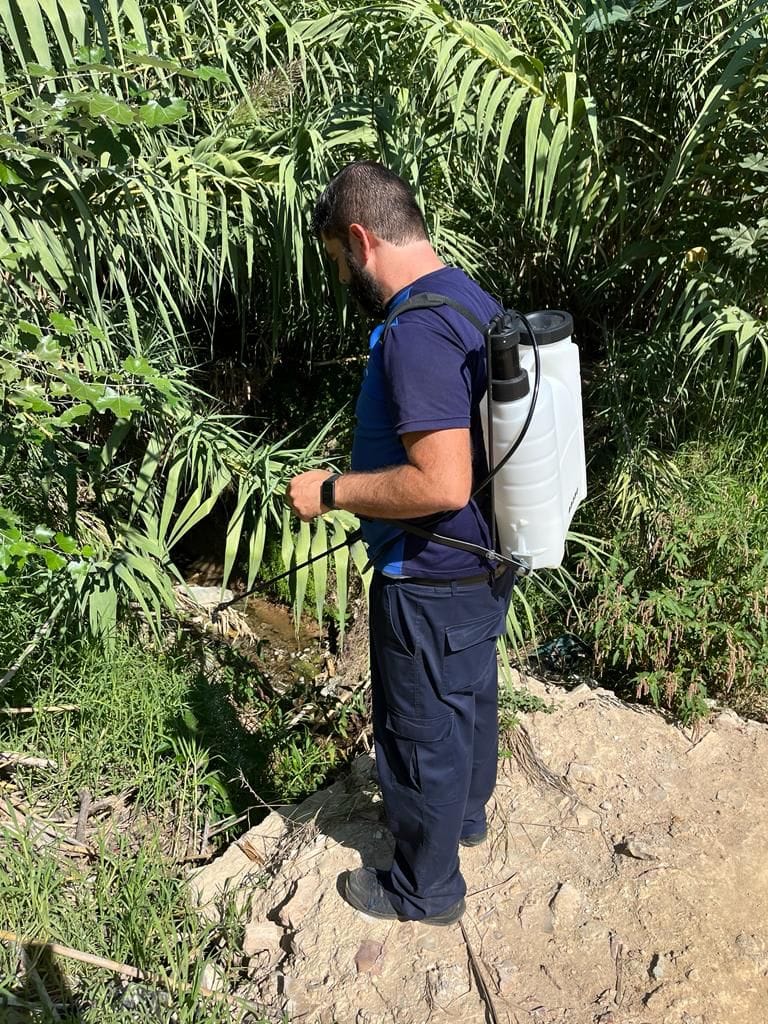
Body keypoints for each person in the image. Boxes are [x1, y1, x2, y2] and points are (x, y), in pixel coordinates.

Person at [287, 161, 515, 926]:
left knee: (418, 732)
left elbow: (442, 482)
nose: (341, 276)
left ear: (360, 239)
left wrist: (332, 492)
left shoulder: (416, 330)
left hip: (430, 571)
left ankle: (425, 889)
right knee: (466, 698)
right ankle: (465, 819)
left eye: (336, 258)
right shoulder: (468, 296)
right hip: (482, 559)